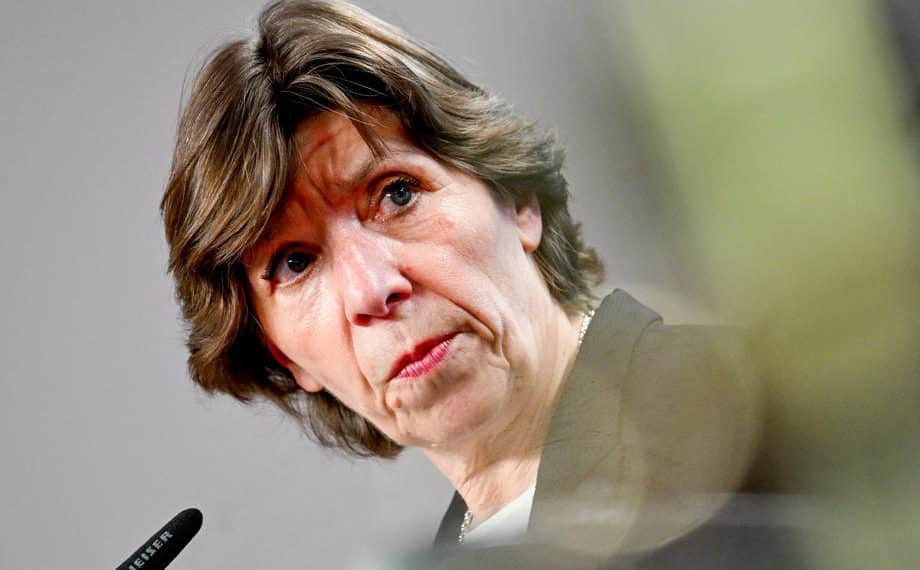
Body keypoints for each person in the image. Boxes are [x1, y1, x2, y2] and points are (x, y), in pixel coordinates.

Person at [161, 1, 764, 566]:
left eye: (396, 195)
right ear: (282, 354)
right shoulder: (463, 554)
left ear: (516, 195)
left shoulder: (757, 424)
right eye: (295, 262)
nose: (372, 289)